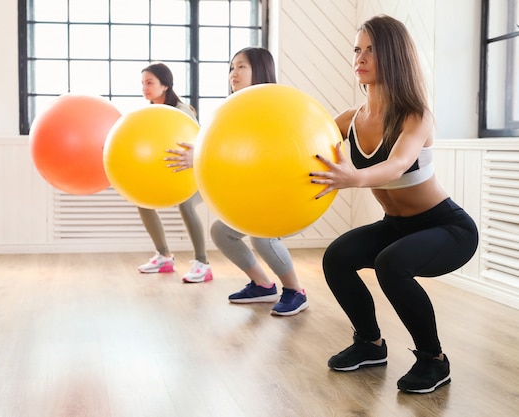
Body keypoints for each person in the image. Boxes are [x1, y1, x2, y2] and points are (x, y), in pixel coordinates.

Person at [309, 15, 479, 394]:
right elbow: (300, 140)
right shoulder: (350, 119)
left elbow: (398, 164)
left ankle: (434, 361)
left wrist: (353, 177)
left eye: (372, 49)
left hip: (446, 228)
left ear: (394, 56)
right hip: (396, 225)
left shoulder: (415, 114)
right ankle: (369, 344)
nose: (361, 57)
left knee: (391, 263)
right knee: (336, 257)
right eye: (358, 49)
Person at [165, 47, 309, 316]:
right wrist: (197, 155)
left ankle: (295, 291)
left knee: (261, 235)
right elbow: (227, 150)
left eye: (241, 66)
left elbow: (269, 151)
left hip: (290, 194)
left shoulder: (275, 105)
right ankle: (263, 285)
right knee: (222, 232)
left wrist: (198, 155)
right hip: (257, 196)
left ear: (261, 70)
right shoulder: (232, 111)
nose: (234, 73)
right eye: (232, 67)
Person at [137, 62, 213, 283]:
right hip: (171, 172)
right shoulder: (150, 113)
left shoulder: (182, 111)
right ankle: (164, 257)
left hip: (195, 172)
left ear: (165, 85)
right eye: (143, 83)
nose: (145, 88)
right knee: (142, 200)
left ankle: (203, 263)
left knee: (186, 204)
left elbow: (200, 144)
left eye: (150, 82)